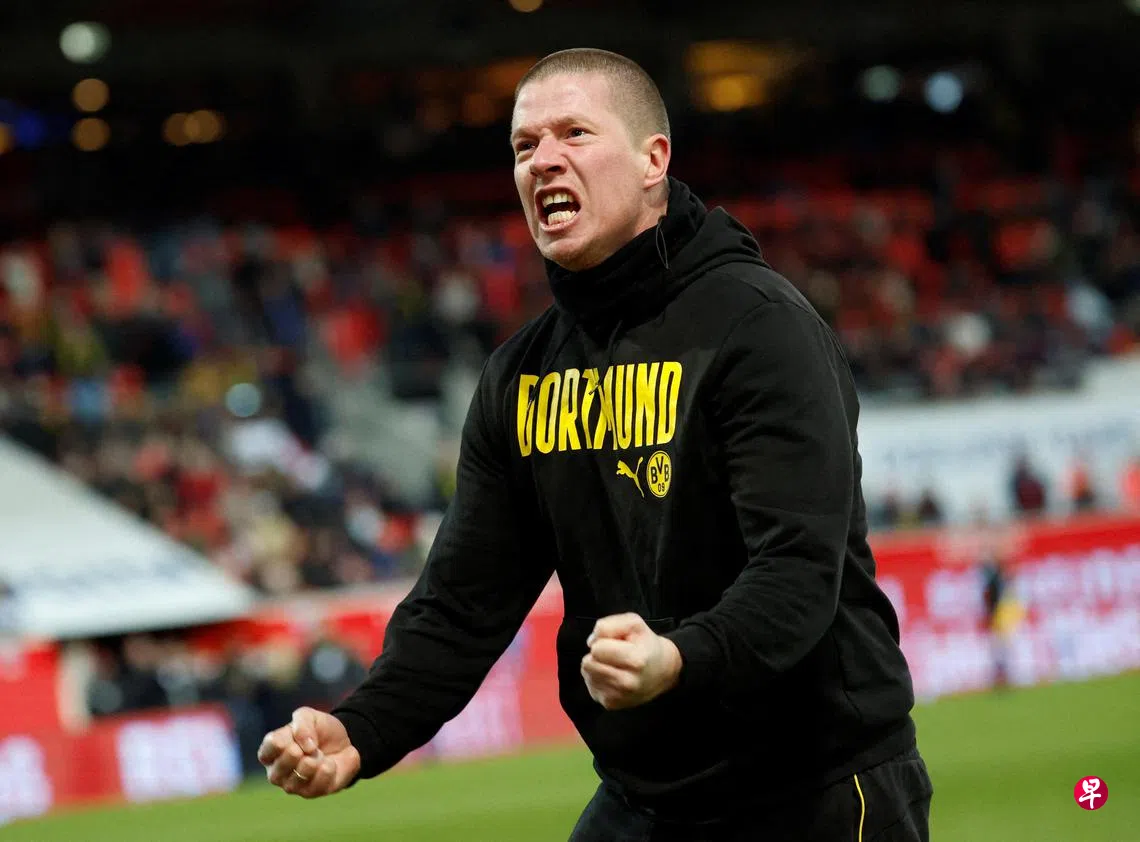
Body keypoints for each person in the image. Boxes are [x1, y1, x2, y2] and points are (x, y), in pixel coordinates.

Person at [258, 48, 932, 841]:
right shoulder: (521, 377)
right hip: (646, 797)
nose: (542, 160)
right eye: (524, 145)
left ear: (654, 160)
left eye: (574, 133)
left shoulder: (759, 328)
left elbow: (796, 573)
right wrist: (362, 728)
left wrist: (678, 658)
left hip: (814, 785)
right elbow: (463, 602)